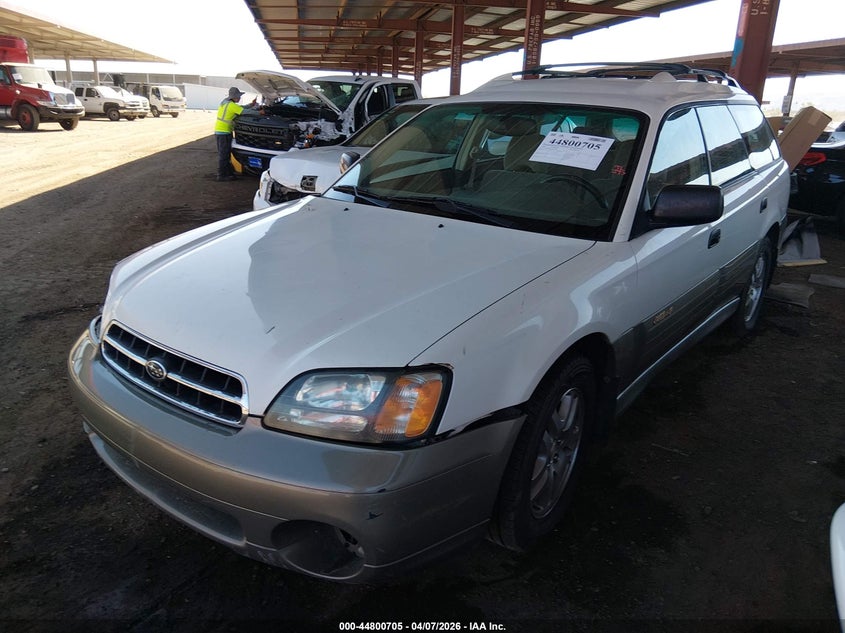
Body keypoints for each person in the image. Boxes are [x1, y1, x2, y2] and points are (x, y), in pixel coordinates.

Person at [214, 86, 256, 182]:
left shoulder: (226, 103)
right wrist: (259, 112)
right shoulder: (231, 105)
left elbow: (241, 108)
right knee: (224, 154)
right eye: (239, 96)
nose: (240, 98)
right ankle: (222, 175)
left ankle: (228, 172)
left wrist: (251, 104)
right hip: (223, 132)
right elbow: (244, 112)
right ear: (235, 97)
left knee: (226, 153)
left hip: (221, 131)